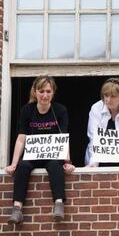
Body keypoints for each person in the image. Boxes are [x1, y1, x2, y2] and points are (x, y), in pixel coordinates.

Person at [6, 76, 75, 225]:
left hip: (52, 154)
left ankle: (58, 204)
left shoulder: (60, 110)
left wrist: (68, 161)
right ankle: (17, 209)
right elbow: (21, 138)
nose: (45, 95)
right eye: (41, 91)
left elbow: (63, 137)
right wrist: (13, 164)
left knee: (55, 166)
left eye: (48, 91)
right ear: (35, 91)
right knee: (22, 166)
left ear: (53, 92)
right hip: (32, 154)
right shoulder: (27, 110)